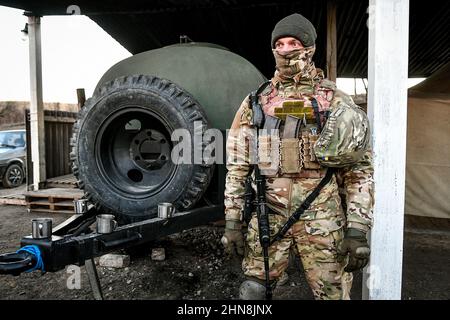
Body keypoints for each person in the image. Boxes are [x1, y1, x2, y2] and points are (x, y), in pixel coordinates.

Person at [221, 13, 374, 300]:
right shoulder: (256, 101)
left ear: (310, 48)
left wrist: (357, 228)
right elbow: (237, 166)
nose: (287, 50)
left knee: (333, 295)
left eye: (294, 42)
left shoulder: (335, 101)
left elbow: (359, 171)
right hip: (269, 215)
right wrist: (232, 221)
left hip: (323, 220)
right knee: (253, 292)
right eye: (280, 44)